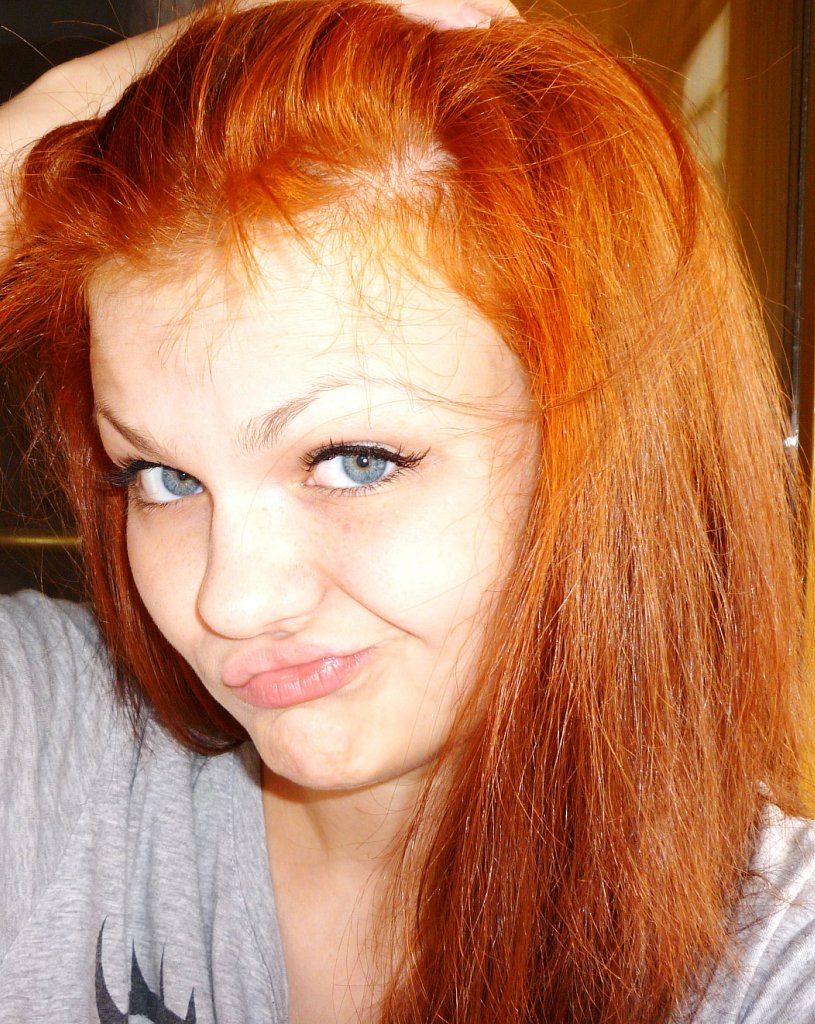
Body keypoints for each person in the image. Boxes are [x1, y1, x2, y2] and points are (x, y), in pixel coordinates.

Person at [0, 1, 813, 1021]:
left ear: (599, 462)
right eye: (162, 478)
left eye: (353, 461)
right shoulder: (56, 748)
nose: (231, 601)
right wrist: (72, 111)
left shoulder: (764, 960)